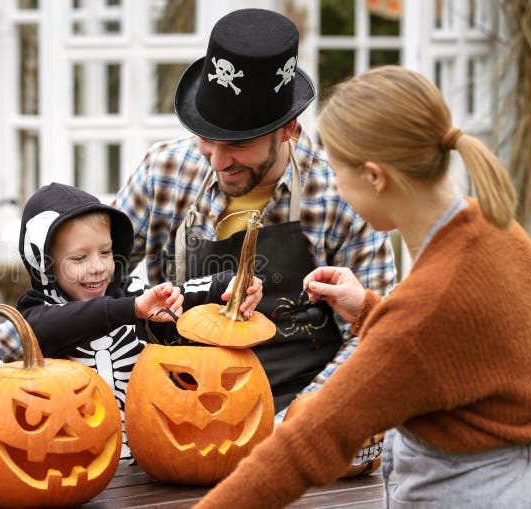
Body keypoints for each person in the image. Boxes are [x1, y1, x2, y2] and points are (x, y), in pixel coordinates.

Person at [194, 65, 531, 508]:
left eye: (336, 171)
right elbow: (463, 352)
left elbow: (308, 446)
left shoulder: (419, 316)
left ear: (375, 177)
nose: (333, 185)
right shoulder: (494, 226)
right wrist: (372, 310)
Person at [114, 8, 397, 415]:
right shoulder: (164, 171)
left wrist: (292, 426)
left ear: (289, 130)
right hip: (176, 414)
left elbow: (372, 338)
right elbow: (93, 276)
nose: (217, 161)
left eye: (238, 145)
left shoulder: (340, 194)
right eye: (207, 140)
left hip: (299, 418)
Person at [0, 182, 262, 463]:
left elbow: (181, 294)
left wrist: (233, 283)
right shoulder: (38, 312)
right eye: (79, 257)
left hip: (145, 469)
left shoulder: (133, 294)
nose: (98, 267)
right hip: (71, 469)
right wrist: (130, 309)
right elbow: (40, 328)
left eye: (105, 252)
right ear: (45, 263)